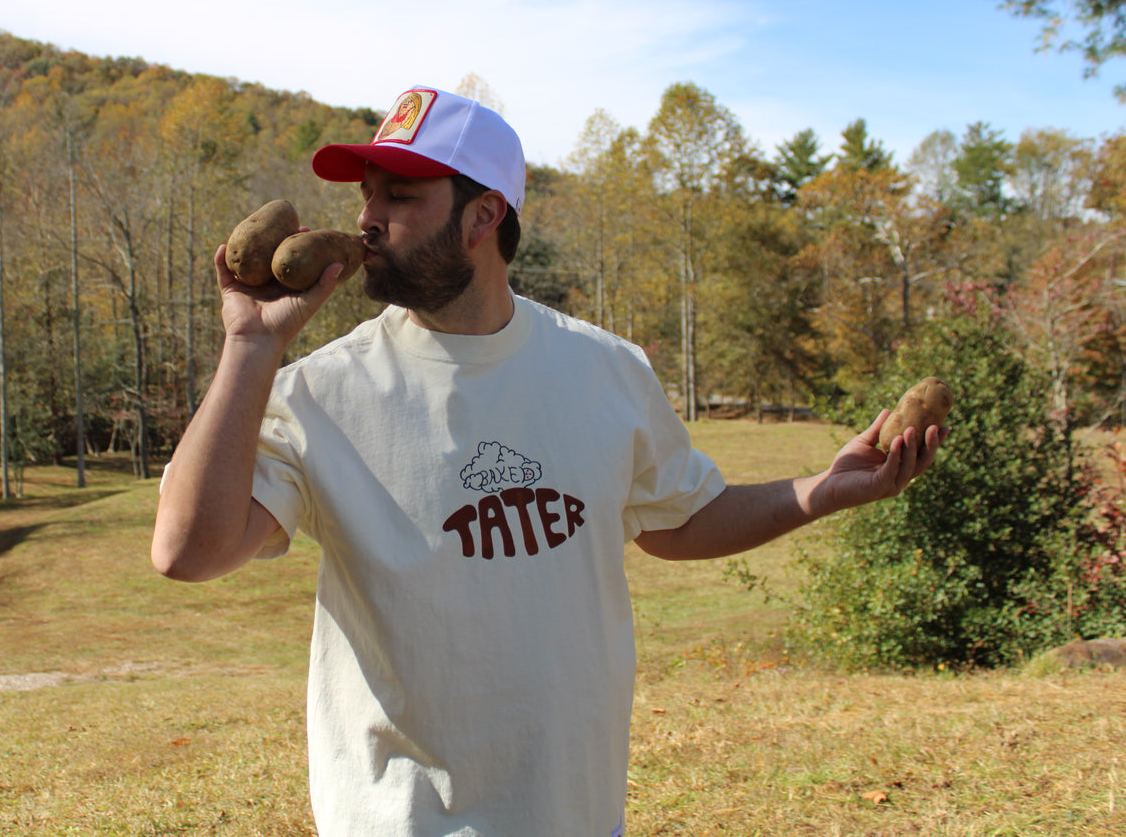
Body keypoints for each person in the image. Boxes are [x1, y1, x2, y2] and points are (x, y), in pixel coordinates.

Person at [152, 85, 945, 836]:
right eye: (367, 194)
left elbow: (681, 517)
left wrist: (820, 491)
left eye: (398, 197)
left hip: (570, 804)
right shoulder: (319, 390)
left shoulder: (604, 369)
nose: (365, 219)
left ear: (483, 215)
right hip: (394, 816)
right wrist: (250, 345)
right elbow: (188, 551)